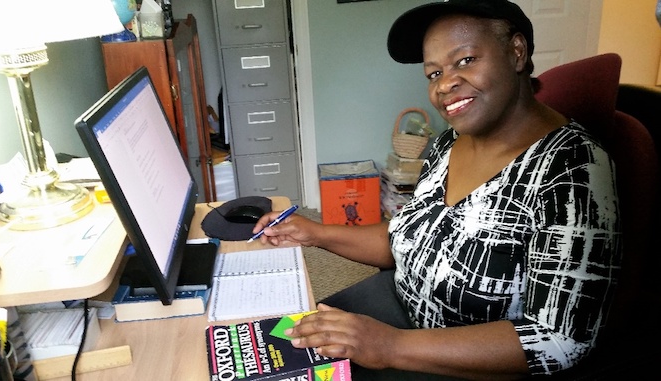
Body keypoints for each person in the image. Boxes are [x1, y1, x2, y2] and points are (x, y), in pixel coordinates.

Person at [252, 0, 621, 379]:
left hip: (459, 362)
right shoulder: (448, 143)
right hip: (395, 312)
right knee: (270, 350)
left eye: (465, 61)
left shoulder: (573, 169)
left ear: (516, 52)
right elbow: (408, 239)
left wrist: (388, 346)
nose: (445, 84)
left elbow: (560, 340)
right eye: (433, 73)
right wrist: (315, 233)